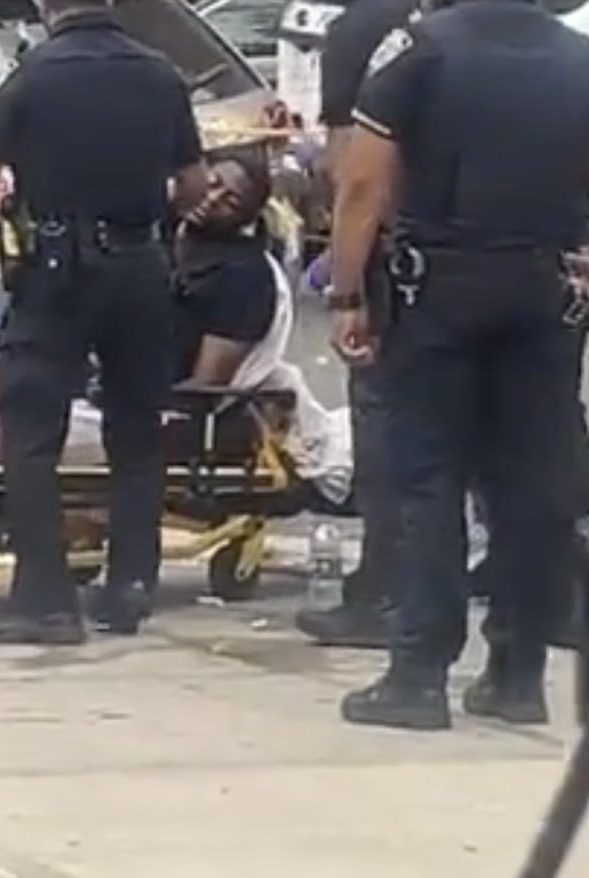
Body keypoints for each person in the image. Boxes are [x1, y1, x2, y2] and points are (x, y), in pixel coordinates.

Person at [328, 0, 589, 729]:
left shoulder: (415, 48)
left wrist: (347, 293)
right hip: (547, 291)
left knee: (425, 479)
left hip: (437, 289)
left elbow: (362, 184)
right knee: (530, 484)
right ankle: (517, 672)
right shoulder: (577, 59)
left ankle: (417, 673)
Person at [0, 0, 212, 645]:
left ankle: (45, 598)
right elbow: (195, 187)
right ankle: (130, 586)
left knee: (30, 430)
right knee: (135, 431)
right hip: (140, 269)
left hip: (58, 273)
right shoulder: (161, 76)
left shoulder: (30, 79)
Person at [295, 0, 420, 650]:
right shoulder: (543, 42)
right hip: (522, 259)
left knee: (389, 432)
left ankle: (382, 593)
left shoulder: (359, 32)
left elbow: (353, 173)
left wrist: (345, 283)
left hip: (399, 260)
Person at [173, 148, 277, 388]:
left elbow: (206, 385)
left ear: (244, 219)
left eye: (230, 202)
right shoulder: (156, 230)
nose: (211, 200)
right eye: (212, 184)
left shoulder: (244, 276)